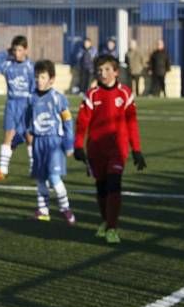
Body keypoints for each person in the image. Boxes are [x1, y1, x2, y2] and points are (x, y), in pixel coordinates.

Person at [74, 54, 146, 244]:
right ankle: (106, 221)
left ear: (116, 72)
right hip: (96, 148)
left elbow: (132, 123)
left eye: (107, 69)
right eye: (99, 70)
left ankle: (112, 228)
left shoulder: (125, 93)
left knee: (114, 185)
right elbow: (82, 122)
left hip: (117, 148)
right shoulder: (92, 95)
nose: (103, 73)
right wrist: (78, 145)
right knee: (101, 188)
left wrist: (136, 150)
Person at [26, 60, 75, 225]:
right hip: (38, 142)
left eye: (42, 77)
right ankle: (43, 210)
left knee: (54, 178)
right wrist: (26, 133)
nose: (39, 80)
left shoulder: (58, 98)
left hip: (54, 142)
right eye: (37, 77)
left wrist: (69, 144)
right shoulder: (31, 98)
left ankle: (65, 208)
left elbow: (68, 121)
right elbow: (27, 120)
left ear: (51, 80)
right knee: (40, 178)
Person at [0, 35, 35, 181]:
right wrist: (6, 52)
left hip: (26, 104)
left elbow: (34, 88)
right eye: (15, 50)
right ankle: (2, 170)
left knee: (29, 137)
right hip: (12, 104)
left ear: (26, 50)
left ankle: (34, 168)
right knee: (8, 135)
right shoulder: (8, 65)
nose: (17, 53)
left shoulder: (30, 67)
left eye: (20, 50)